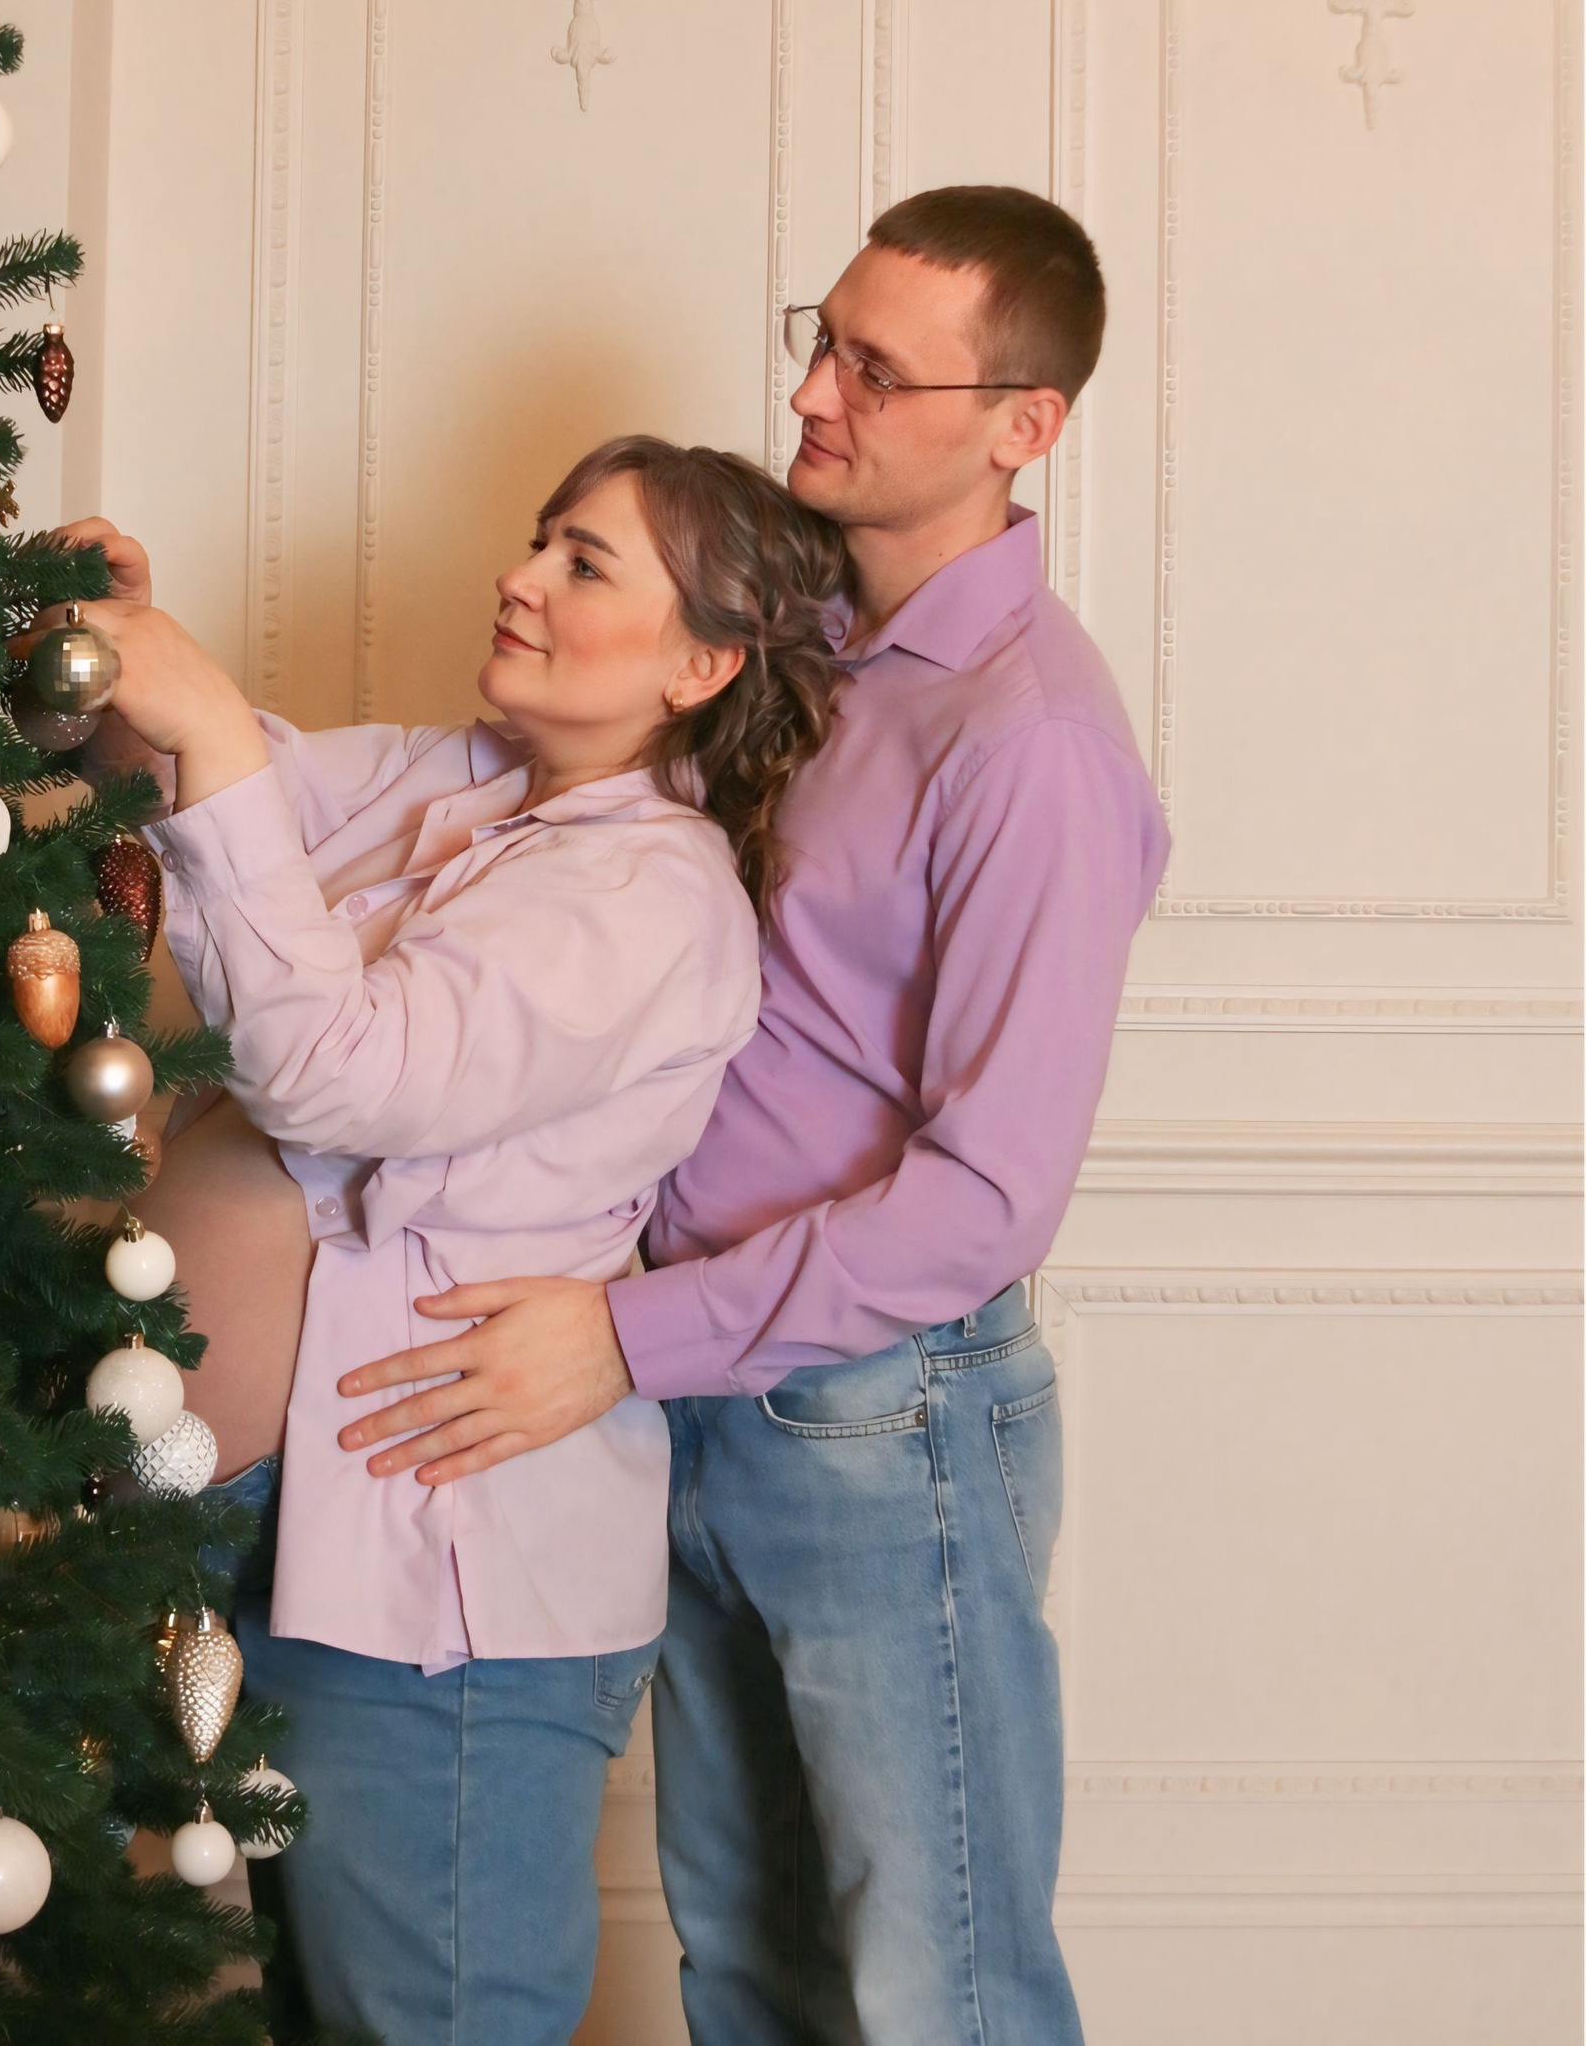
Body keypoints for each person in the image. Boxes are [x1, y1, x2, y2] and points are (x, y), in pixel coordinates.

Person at [334, 186, 1172, 2046]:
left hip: (881, 1420)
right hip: (697, 1389)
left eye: (879, 369)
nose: (814, 393)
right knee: (754, 1975)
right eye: (822, 338)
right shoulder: (789, 649)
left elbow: (987, 1199)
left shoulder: (1030, 741)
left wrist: (624, 1337)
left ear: (1025, 424)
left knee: (940, 1995)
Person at [48, 437, 844, 2046]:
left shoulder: (654, 895)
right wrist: (124, 667)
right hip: (265, 1535)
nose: (520, 577)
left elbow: (339, 1071)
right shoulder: (460, 783)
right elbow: (231, 804)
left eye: (583, 563)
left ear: (700, 665)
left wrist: (208, 724)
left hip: (433, 1585)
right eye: (540, 539)